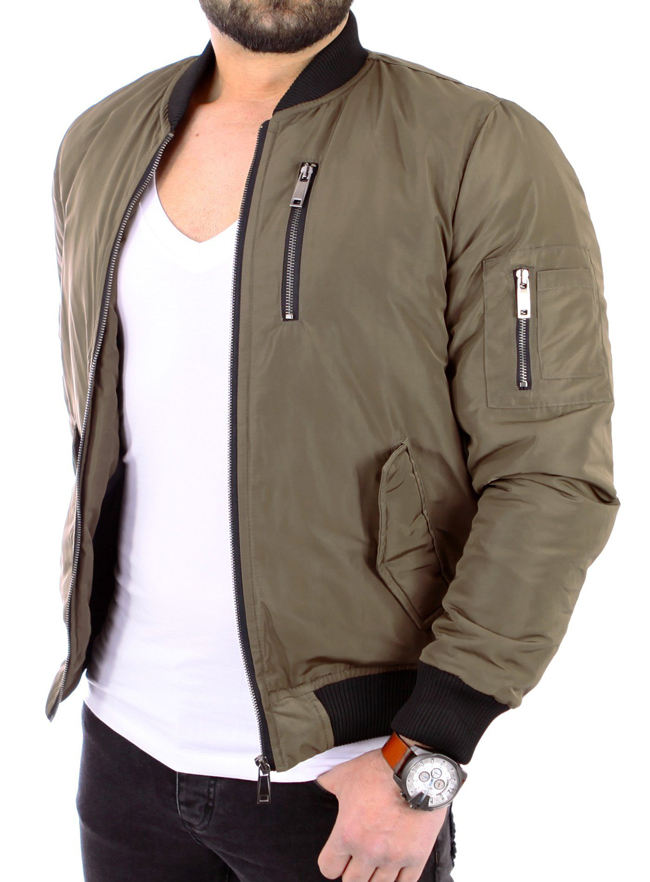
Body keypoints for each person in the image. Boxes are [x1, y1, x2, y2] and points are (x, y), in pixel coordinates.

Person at [45, 2, 620, 880]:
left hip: (351, 772)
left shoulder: (479, 146)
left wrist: (428, 752)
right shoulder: (101, 140)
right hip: (122, 748)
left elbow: (551, 476)